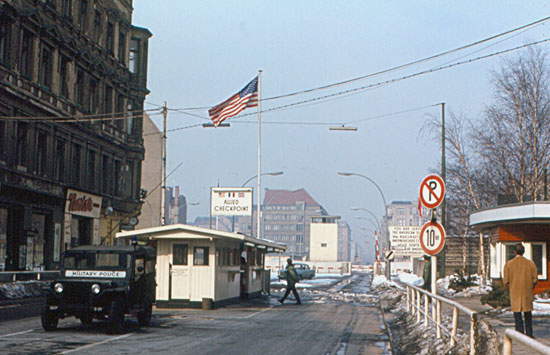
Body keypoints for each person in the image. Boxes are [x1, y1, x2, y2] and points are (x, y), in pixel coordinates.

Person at [503, 244, 538, 338]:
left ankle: (519, 333)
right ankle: (529, 334)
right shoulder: (530, 263)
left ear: (514, 251)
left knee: (517, 314)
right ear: (524, 251)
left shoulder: (509, 264)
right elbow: (535, 279)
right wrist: (530, 287)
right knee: (528, 313)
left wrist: (511, 287)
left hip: (515, 291)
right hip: (527, 291)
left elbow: (506, 281)